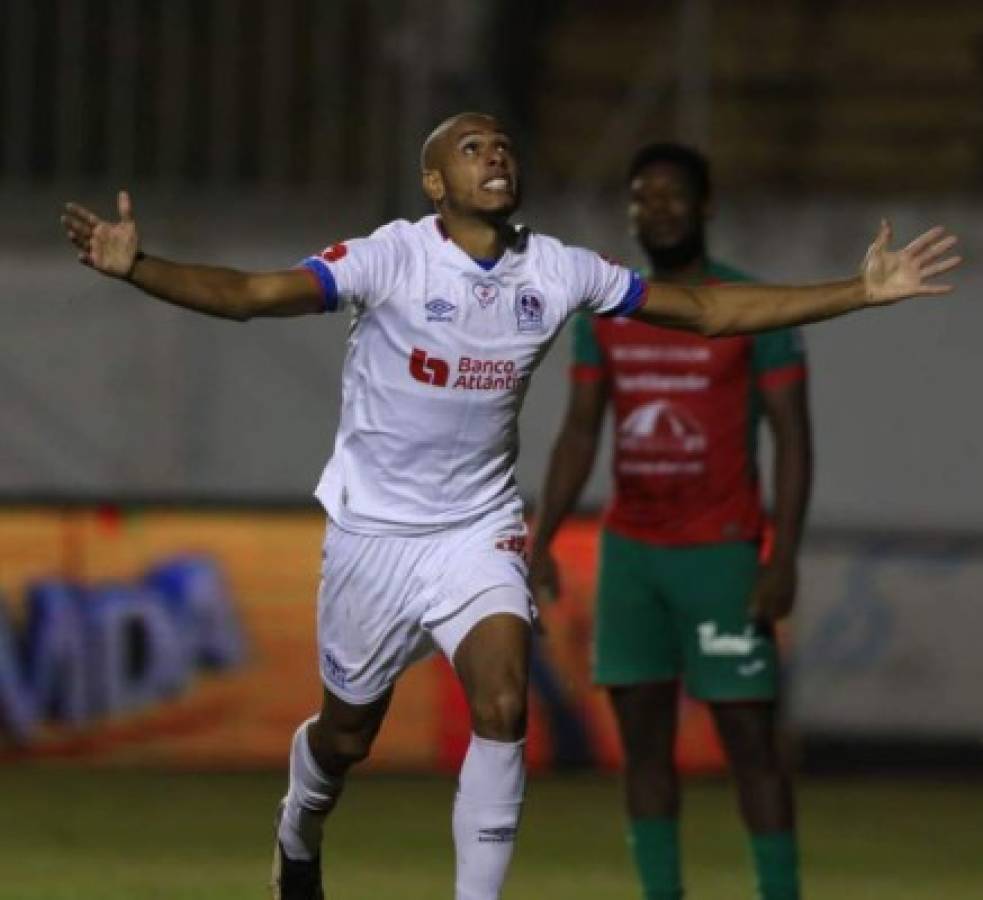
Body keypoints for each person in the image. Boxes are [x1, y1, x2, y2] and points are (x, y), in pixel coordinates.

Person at [60, 112, 960, 900]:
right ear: (433, 180)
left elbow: (705, 311)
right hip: (373, 536)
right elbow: (255, 295)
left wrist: (859, 290)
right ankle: (299, 824)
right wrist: (140, 266)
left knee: (501, 703)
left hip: (475, 531)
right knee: (345, 736)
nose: (493, 155)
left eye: (501, 144)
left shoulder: (559, 271)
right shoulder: (391, 257)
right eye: (468, 146)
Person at [529, 141, 816, 899]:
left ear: (705, 206)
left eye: (671, 196)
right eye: (641, 198)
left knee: (751, 743)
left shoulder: (752, 307)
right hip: (632, 556)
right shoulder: (609, 309)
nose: (655, 211)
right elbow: (582, 428)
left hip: (722, 556)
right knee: (643, 750)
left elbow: (792, 435)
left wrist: (780, 553)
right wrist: (543, 532)